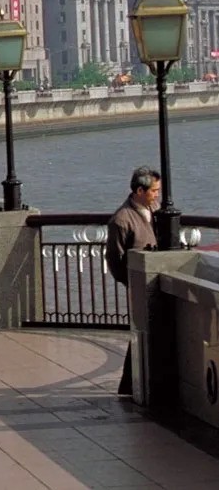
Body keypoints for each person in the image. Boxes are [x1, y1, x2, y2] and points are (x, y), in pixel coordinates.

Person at [106, 166, 160, 396]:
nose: (157, 195)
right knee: (141, 332)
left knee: (150, 331)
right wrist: (130, 282)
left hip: (157, 280)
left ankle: (131, 384)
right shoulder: (121, 220)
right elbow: (115, 259)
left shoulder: (155, 209)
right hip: (138, 284)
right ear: (140, 190)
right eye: (154, 190)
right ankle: (130, 385)